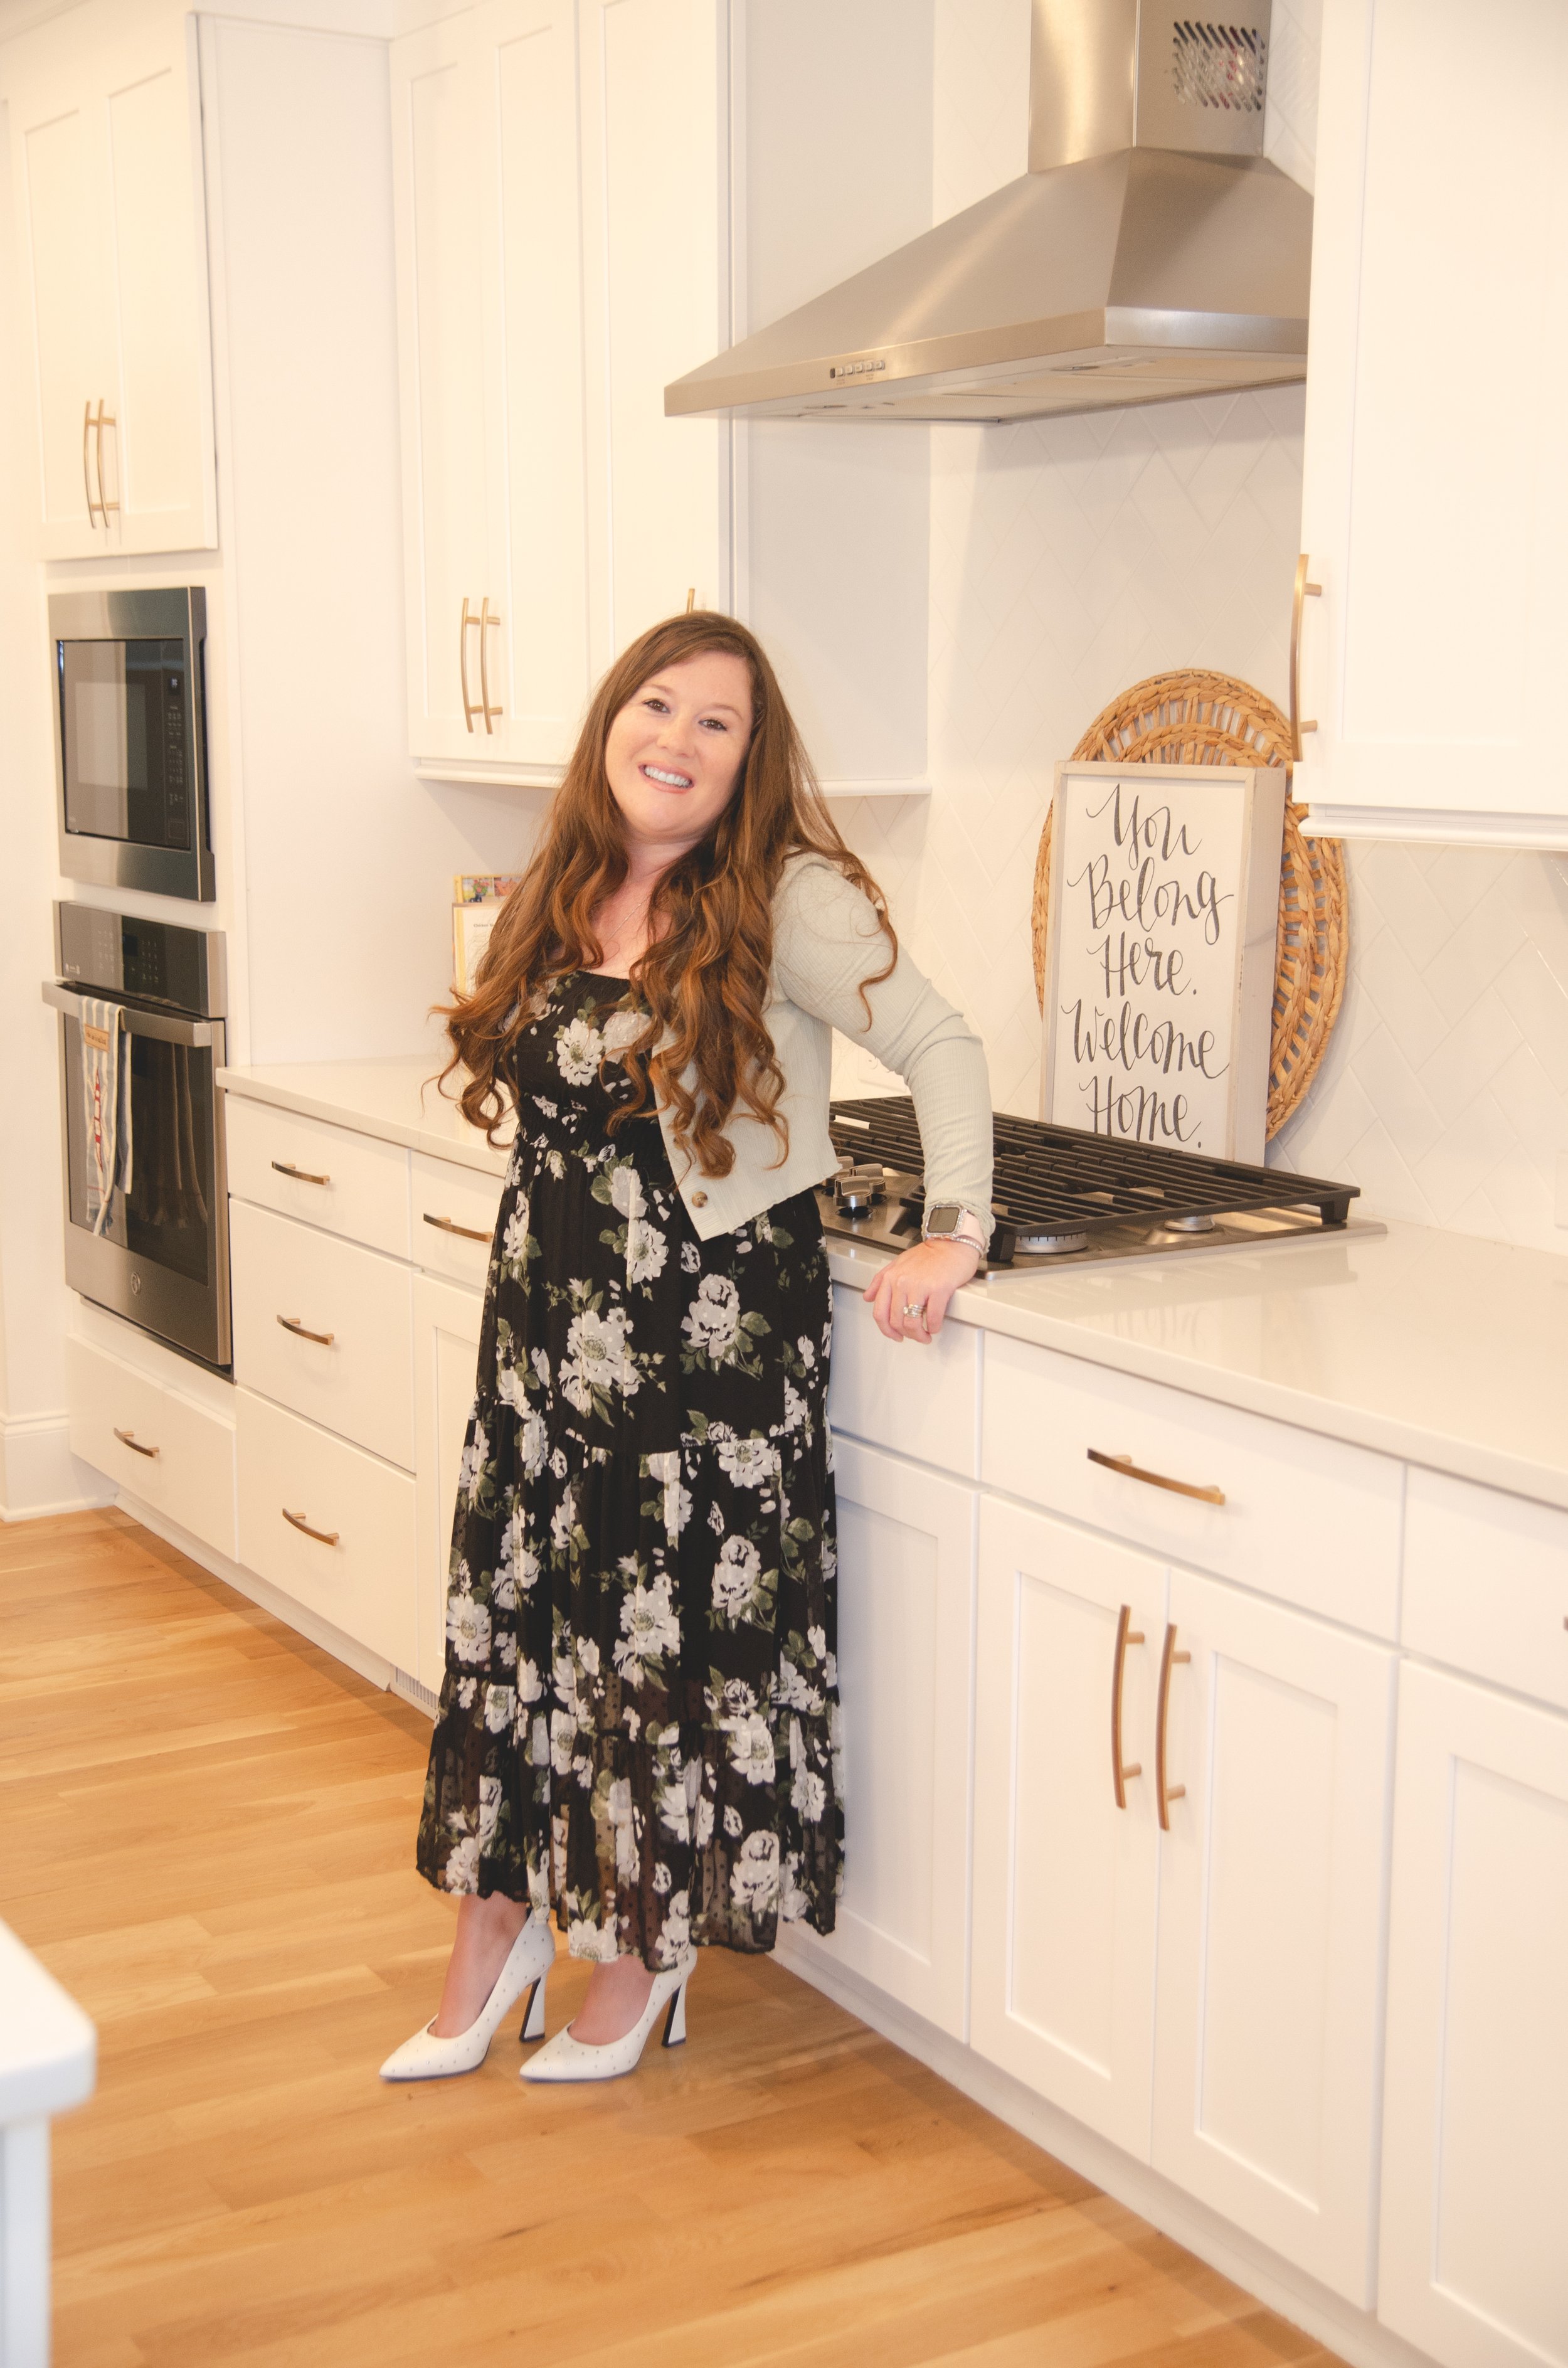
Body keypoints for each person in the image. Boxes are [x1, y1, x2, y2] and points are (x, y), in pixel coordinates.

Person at [380, 610, 993, 2088]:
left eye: (716, 723)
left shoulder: (786, 895)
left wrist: (952, 1229)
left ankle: (646, 1947)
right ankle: (498, 1922)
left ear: (747, 760)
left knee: (657, 1643)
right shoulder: (568, 878)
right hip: (545, 1334)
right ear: (609, 724)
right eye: (656, 706)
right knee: (522, 1624)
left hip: (704, 1348)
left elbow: (943, 1044)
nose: (677, 738)